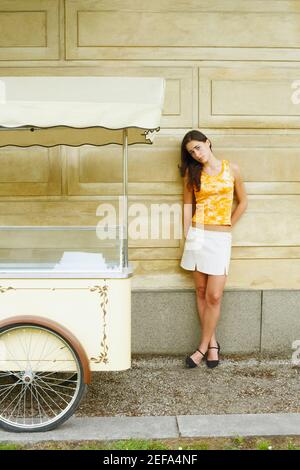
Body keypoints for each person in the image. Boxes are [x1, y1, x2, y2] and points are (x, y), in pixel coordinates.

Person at [179, 130, 247, 368]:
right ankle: (212, 344)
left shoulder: (232, 170)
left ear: (208, 142)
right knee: (200, 290)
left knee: (214, 296)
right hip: (197, 235)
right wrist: (188, 235)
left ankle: (200, 347)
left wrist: (229, 225)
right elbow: (188, 206)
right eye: (191, 151)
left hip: (220, 238)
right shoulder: (192, 172)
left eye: (198, 147)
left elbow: (243, 201)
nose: (197, 154)